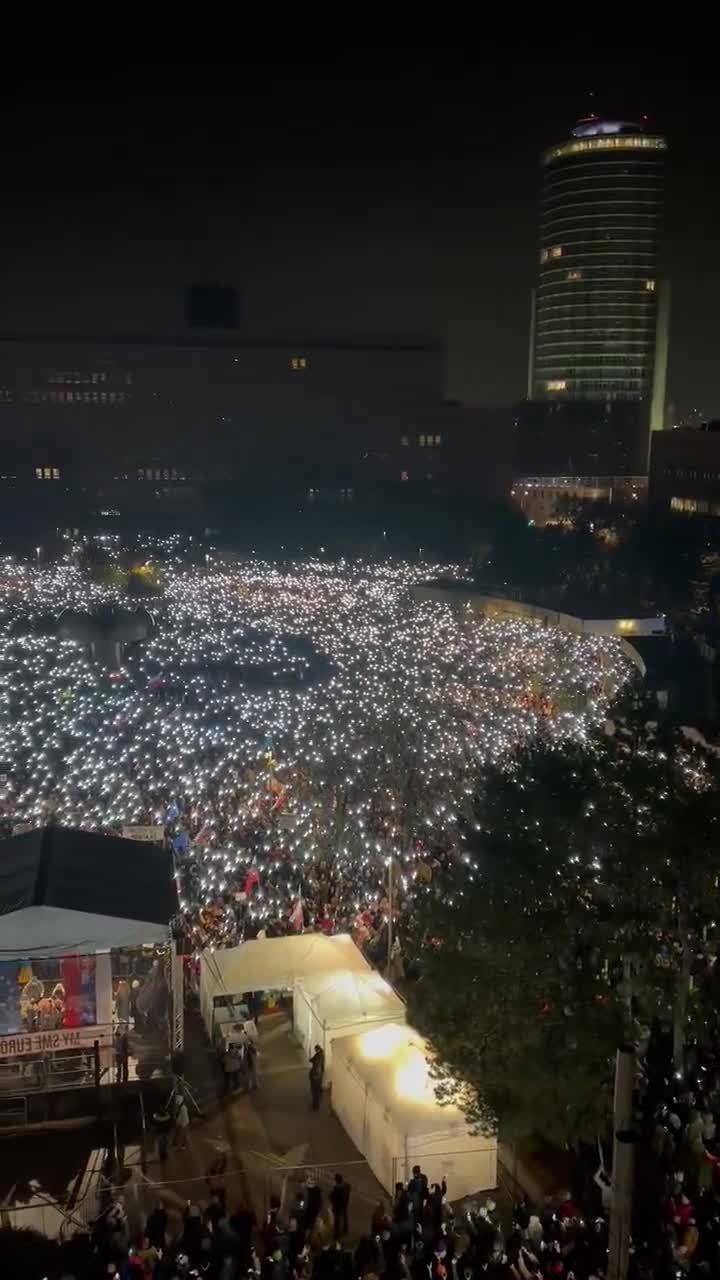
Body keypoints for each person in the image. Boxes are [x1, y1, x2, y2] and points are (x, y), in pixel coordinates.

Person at [330, 1173, 351, 1238]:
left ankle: (337, 1233)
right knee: (344, 1217)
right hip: (344, 1204)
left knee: (337, 1220)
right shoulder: (346, 1186)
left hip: (337, 1206)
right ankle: (345, 1229)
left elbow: (332, 1197)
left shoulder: (336, 1188)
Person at [309, 1044, 325, 1111]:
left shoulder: (317, 1056)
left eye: (315, 1049)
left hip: (315, 1075)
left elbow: (312, 1060)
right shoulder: (321, 1055)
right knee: (317, 1089)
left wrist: (310, 1059)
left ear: (317, 1049)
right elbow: (321, 1066)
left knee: (314, 1091)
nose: (315, 1050)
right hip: (319, 1074)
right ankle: (316, 1104)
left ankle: (315, 1105)